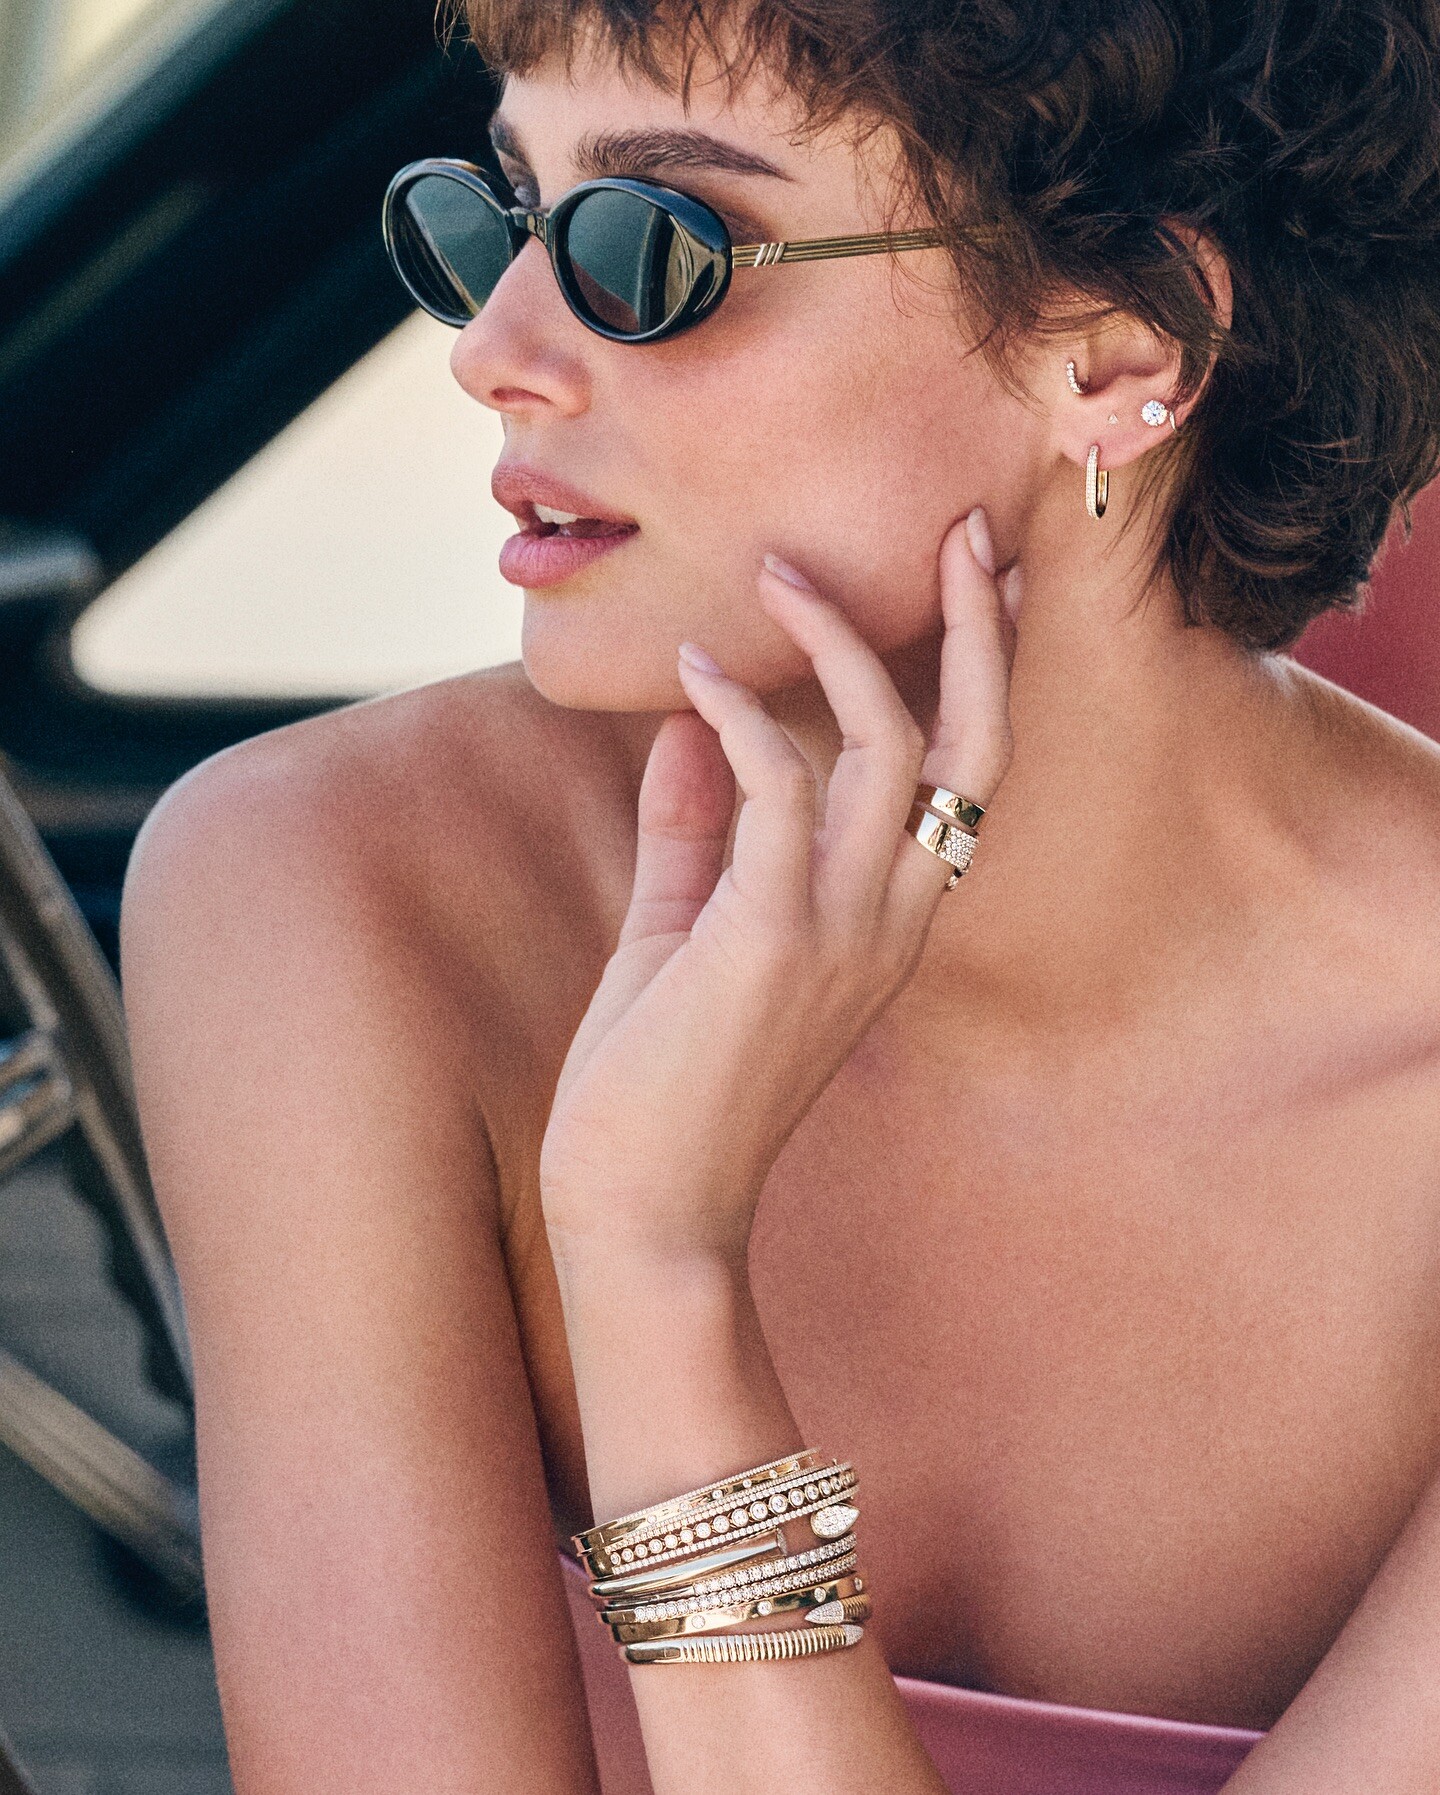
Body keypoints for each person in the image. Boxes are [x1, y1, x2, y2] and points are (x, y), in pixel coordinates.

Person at [119, 0, 1440, 1789]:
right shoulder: (335, 890)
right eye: (502, 218)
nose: (493, 352)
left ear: (1118, 351)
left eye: (646, 248)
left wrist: (653, 1268)